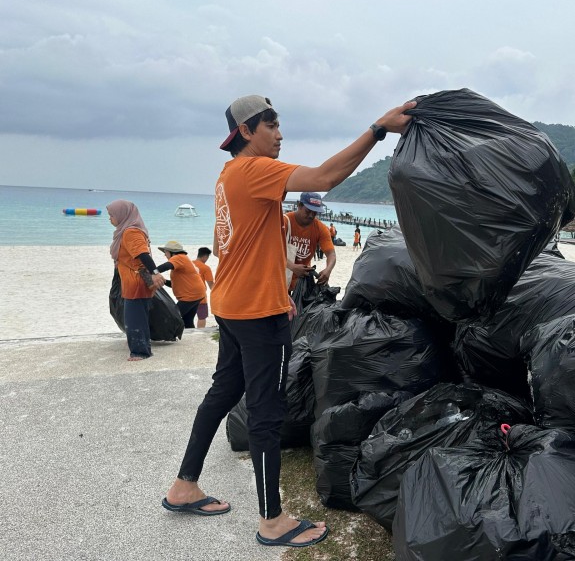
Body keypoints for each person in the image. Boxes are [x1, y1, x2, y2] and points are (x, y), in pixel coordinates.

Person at [162, 94, 415, 548]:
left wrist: (279, 290)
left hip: (233, 306)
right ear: (246, 132)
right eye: (271, 127)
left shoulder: (227, 177)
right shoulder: (254, 170)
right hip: (258, 317)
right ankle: (271, 520)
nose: (280, 135)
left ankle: (184, 485)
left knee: (222, 394)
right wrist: (378, 129)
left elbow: (232, 248)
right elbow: (324, 177)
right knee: (266, 413)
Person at [106, 200, 166, 361]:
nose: (110, 219)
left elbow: (143, 254)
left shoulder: (130, 232)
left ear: (122, 215)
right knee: (138, 317)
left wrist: (155, 272)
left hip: (135, 281)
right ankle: (143, 347)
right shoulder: (127, 231)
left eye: (112, 215)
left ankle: (140, 352)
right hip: (132, 280)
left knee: (134, 319)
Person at [286, 192, 336, 292]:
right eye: (308, 211)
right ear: (299, 205)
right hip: (279, 279)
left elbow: (331, 254)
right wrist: (292, 266)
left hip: (301, 283)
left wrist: (328, 270)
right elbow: (271, 252)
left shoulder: (320, 228)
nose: (311, 216)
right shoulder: (285, 222)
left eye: (314, 213)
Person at [154, 240, 207, 329]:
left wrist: (152, 272)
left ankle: (168, 337)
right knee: (187, 320)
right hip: (198, 294)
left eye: (166, 252)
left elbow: (165, 266)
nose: (165, 255)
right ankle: (191, 339)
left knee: (171, 317)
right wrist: (163, 281)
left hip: (190, 296)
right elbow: (175, 284)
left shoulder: (178, 257)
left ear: (172, 252)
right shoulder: (183, 260)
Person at [193, 247, 215, 328]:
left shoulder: (189, 264)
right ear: (205, 256)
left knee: (188, 317)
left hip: (187, 296)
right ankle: (199, 333)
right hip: (201, 297)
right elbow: (211, 285)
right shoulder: (205, 268)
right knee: (202, 317)